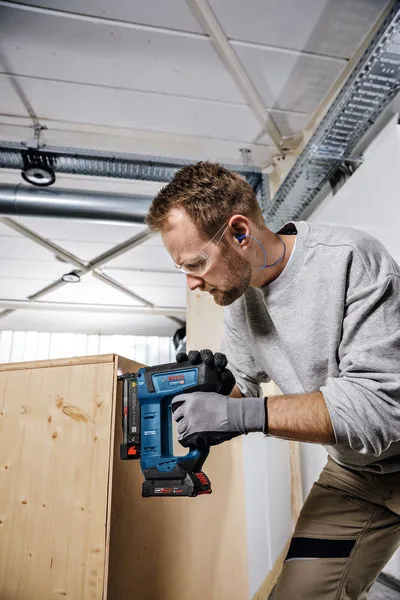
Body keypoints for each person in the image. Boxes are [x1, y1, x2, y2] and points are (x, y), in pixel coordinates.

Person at [146, 161, 400, 599]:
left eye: (197, 263)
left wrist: (238, 413)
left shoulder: (350, 258)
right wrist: (215, 388)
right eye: (182, 269)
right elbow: (242, 389)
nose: (190, 283)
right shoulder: (242, 300)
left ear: (240, 232)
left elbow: (378, 411)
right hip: (356, 476)